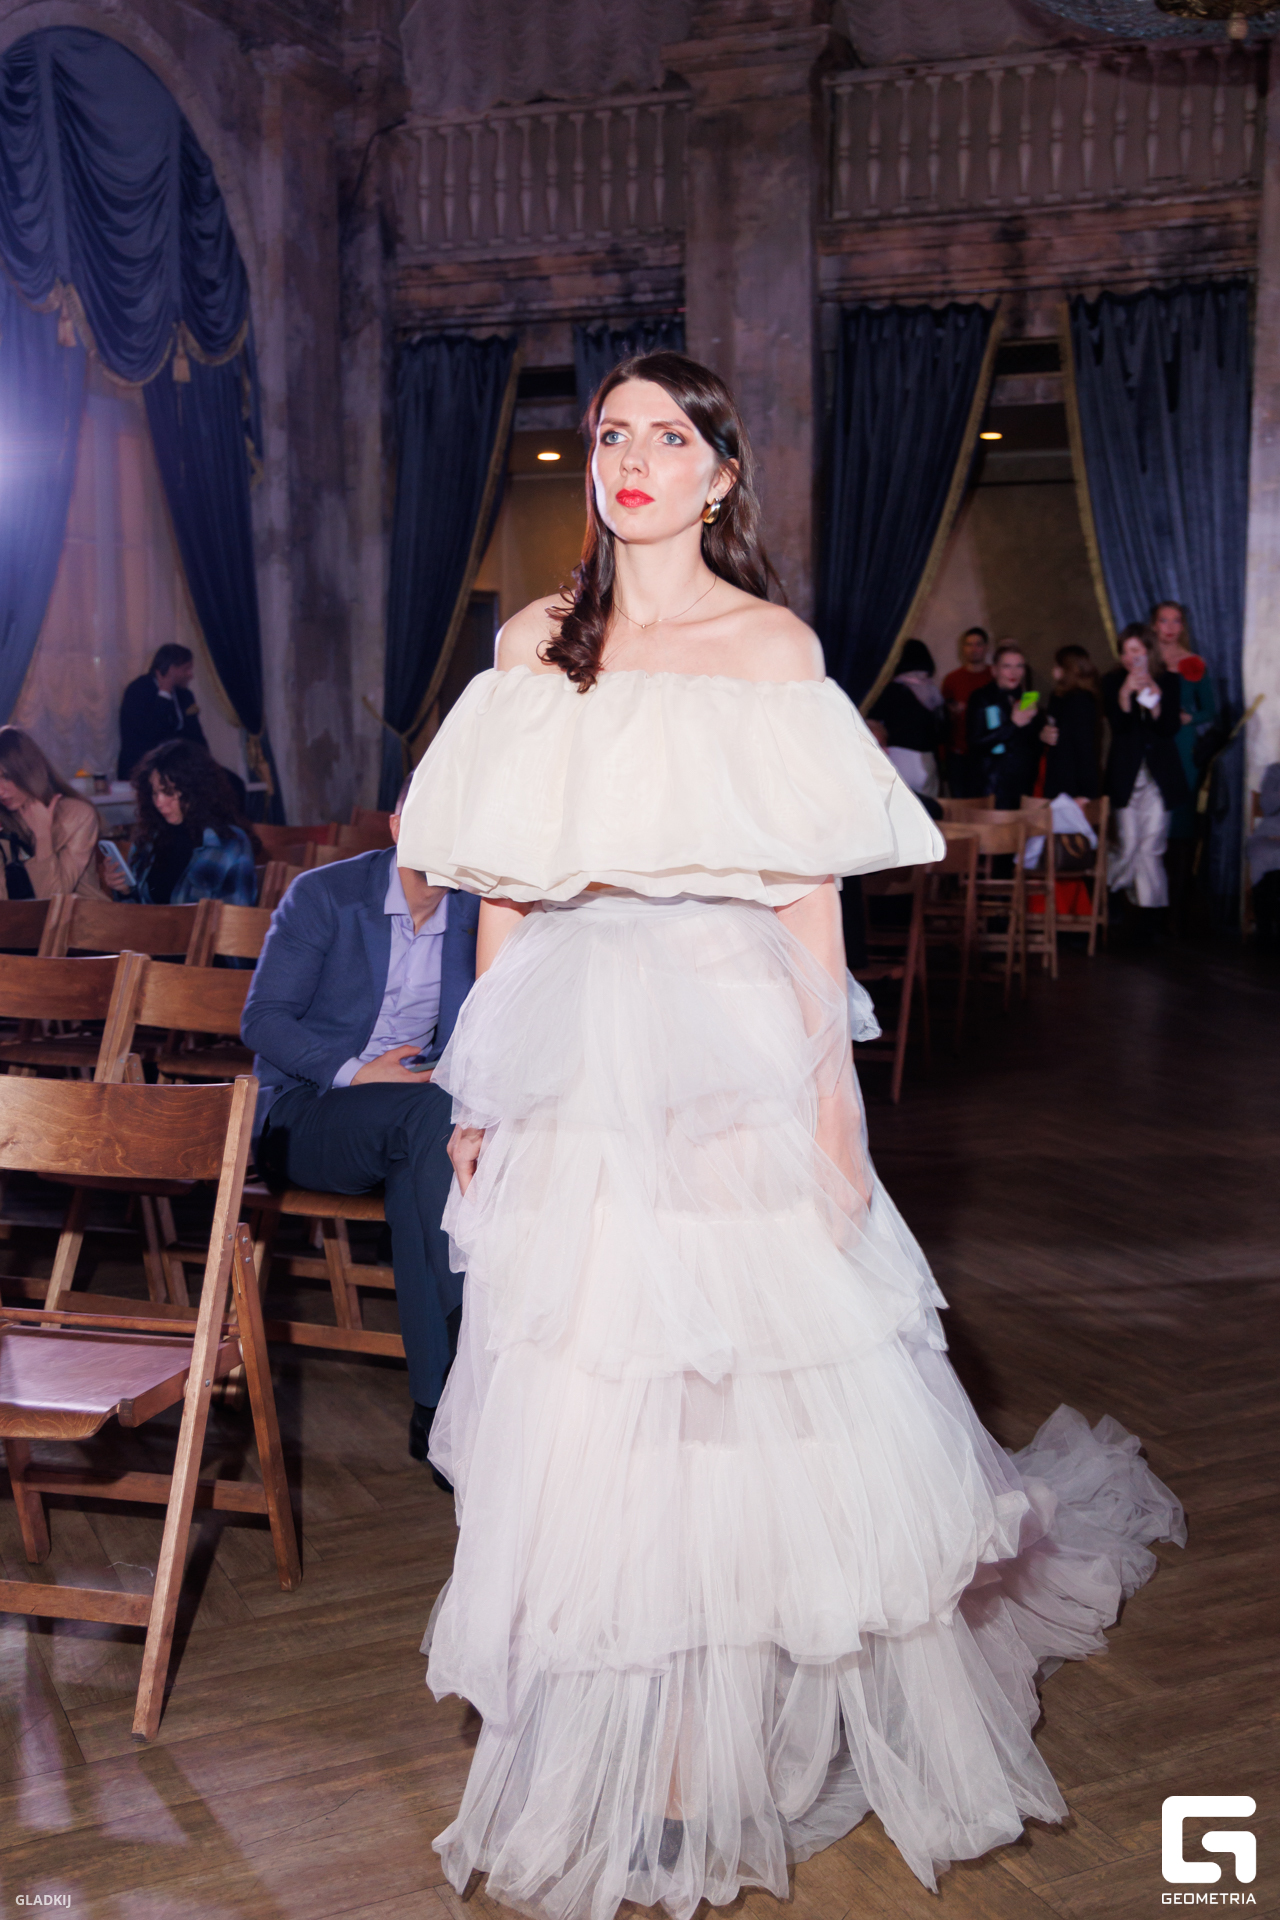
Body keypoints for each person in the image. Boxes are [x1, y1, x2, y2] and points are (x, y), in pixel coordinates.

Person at [396, 351, 1184, 1918]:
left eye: (665, 435)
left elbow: (807, 898)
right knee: (593, 1406)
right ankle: (624, 1730)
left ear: (719, 474)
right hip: (575, 1044)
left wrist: (834, 1110)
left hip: (726, 1035)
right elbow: (503, 883)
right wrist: (482, 1092)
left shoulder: (772, 650)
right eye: (609, 433)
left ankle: (697, 1770)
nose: (630, 457)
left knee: (730, 1411)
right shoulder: (534, 643)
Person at [240, 780, 479, 1473]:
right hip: (305, 1109)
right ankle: (471, 1342)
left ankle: (436, 1413)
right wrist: (355, 1071)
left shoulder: (479, 914)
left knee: (421, 1170)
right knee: (431, 1120)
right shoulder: (325, 895)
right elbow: (262, 1020)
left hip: (412, 1123)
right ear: (397, 824)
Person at [1102, 623, 1187, 924]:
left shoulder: (1169, 680)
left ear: (1148, 651)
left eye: (1135, 651)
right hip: (1126, 775)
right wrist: (1125, 694)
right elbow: (1119, 727)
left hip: (1159, 776)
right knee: (1127, 845)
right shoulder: (1112, 681)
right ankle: (1109, 892)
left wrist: (1155, 702)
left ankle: (1151, 916)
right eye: (1124, 652)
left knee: (1152, 846)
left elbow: (1169, 729)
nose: (1129, 658)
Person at [1151, 601, 1218, 922]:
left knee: (1179, 829)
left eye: (1175, 621)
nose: (1170, 627)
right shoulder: (1146, 661)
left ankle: (1175, 913)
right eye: (1164, 620)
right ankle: (1150, 910)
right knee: (1152, 829)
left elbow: (1209, 710)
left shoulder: (1192, 663)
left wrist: (1190, 717)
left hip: (1183, 750)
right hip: (1153, 748)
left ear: (1182, 626)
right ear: (1154, 625)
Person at [129, 739, 259, 906]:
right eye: (154, 793)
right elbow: (134, 911)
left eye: (168, 792)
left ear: (194, 791)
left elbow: (236, 917)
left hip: (202, 925)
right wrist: (125, 891)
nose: (159, 802)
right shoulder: (149, 837)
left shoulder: (228, 843)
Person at [0, 725, 105, 900]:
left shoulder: (76, 815)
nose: (0, 791)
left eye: (6, 777)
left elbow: (52, 898)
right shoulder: (4, 819)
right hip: (22, 917)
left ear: (28, 771)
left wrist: (42, 836)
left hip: (79, 915)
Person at [966, 641, 1058, 808]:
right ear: (994, 670)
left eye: (1019, 666)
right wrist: (1013, 724)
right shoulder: (981, 697)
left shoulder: (1026, 698)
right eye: (1007, 666)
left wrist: (1042, 737)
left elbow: (1030, 746)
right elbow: (975, 743)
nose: (1014, 672)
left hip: (1023, 785)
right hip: (992, 785)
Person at [117, 642, 208, 780]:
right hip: (143, 767)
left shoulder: (185, 695)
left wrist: (207, 762)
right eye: (186, 669)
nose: (190, 675)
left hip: (176, 767)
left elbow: (196, 735)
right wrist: (164, 693)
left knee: (231, 781)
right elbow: (150, 734)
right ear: (171, 669)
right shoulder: (138, 690)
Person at [868, 638, 945, 797]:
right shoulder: (932, 691)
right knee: (928, 807)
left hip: (898, 756)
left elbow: (872, 723)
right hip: (927, 758)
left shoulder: (891, 690)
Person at [1044, 644, 1102, 800]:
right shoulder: (1059, 697)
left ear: (1067, 669)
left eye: (1058, 665)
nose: (1053, 669)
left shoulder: (1080, 701)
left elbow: (1084, 747)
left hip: (1073, 783)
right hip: (1059, 776)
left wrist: (1085, 792)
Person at [941, 625, 992, 796]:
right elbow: (942, 716)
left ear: (986, 647)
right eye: (969, 644)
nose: (973, 649)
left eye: (978, 644)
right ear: (963, 648)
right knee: (959, 801)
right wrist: (951, 711)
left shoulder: (994, 676)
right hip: (959, 752)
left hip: (987, 753)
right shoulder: (952, 679)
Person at [1246, 762, 1280, 951]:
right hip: (1270, 832)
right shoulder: (1275, 771)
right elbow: (1266, 805)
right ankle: (1264, 929)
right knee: (1262, 852)